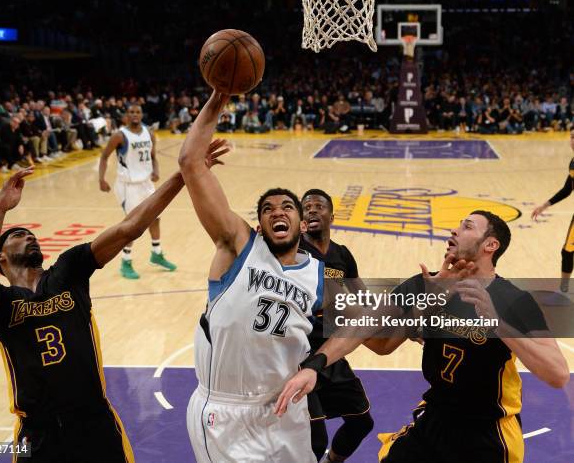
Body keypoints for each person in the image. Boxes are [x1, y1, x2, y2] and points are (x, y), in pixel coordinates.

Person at [0, 141, 226, 462]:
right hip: (37, 434)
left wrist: (181, 175)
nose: (29, 235)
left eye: (30, 233)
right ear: (0, 257)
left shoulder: (68, 269)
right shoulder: (1, 302)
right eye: (18, 235)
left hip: (94, 423)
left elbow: (129, 227)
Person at [276, 211, 569, 463]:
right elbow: (376, 338)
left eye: (467, 226)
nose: (455, 230)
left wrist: (497, 323)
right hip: (434, 420)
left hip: (487, 433)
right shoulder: (427, 284)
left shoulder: (512, 300)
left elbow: (557, 374)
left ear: (490, 245)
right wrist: (316, 363)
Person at [179, 91, 324, 463]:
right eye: (268, 209)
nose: (279, 211)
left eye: (287, 207)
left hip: (286, 409)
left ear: (301, 223)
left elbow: (363, 328)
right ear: (259, 225)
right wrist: (219, 96)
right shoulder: (238, 247)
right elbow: (190, 162)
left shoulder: (318, 273)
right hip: (226, 415)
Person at [299, 189, 374, 462]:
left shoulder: (342, 254)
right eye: (306, 207)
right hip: (299, 355)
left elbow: (363, 298)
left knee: (362, 423)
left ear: (332, 215)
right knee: (315, 439)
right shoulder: (292, 250)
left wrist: (400, 327)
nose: (312, 210)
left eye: (319, 206)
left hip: (331, 350)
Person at [99, 103, 178, 278]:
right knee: (132, 226)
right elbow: (104, 156)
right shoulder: (119, 136)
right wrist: (101, 179)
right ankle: (125, 262)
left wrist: (156, 170)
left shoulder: (149, 133)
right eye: (131, 112)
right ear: (126, 115)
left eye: (137, 112)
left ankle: (156, 253)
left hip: (146, 183)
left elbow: (153, 157)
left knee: (155, 218)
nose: (135, 114)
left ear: (142, 114)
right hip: (128, 186)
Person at [532, 128, 574, 292]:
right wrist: (545, 205)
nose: (573, 140)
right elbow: (567, 189)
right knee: (567, 251)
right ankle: (564, 288)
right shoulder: (572, 162)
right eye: (571, 137)